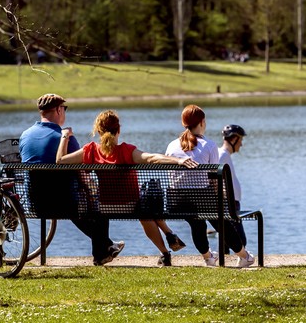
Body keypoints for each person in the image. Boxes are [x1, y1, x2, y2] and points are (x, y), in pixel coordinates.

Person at [56, 110, 196, 267]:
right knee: (148, 202)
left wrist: (65, 136)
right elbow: (151, 158)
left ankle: (167, 240)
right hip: (131, 206)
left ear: (98, 131)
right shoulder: (126, 150)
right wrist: (178, 160)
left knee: (144, 206)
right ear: (119, 130)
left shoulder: (91, 150)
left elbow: (60, 160)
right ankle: (165, 249)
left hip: (105, 208)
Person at [19, 94, 125, 266]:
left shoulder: (25, 135)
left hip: (35, 203)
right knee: (96, 205)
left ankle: (106, 247)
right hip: (64, 203)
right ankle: (102, 250)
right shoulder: (66, 138)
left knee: (79, 204)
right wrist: (92, 190)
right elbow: (81, 174)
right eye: (64, 109)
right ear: (59, 110)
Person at [165, 104, 255, 268]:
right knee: (221, 221)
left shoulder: (172, 145)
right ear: (202, 122)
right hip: (202, 199)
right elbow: (214, 179)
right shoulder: (209, 145)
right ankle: (244, 256)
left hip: (176, 202)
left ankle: (208, 258)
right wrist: (223, 198)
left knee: (196, 223)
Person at [218, 124, 248, 246]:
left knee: (230, 239)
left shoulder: (224, 155)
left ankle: (225, 261)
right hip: (228, 204)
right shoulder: (222, 155)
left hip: (231, 203)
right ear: (234, 139)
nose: (241, 144)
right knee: (240, 241)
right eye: (240, 140)